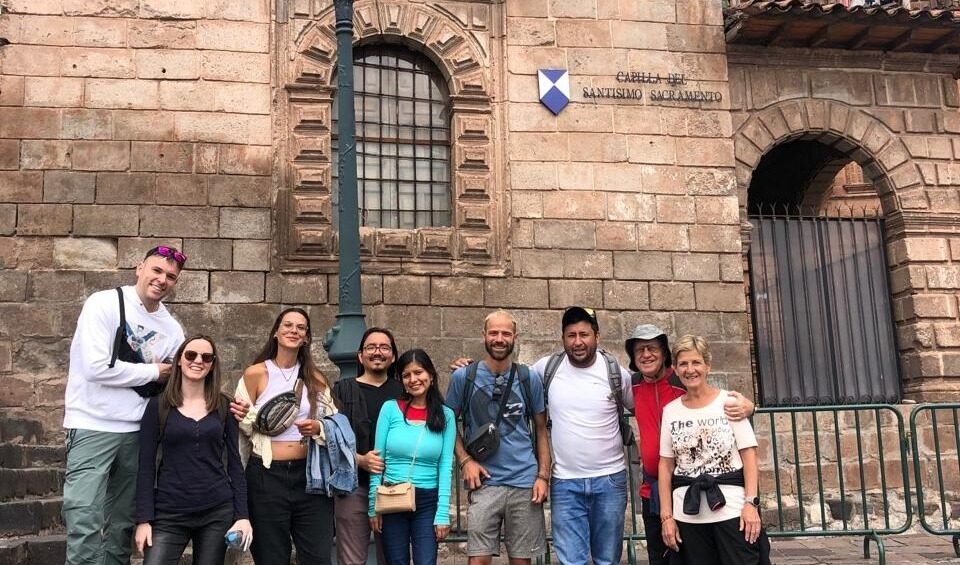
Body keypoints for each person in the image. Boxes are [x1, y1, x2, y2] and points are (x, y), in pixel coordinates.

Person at [62, 245, 187, 565]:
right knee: (84, 516)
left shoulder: (172, 329)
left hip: (137, 431)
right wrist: (153, 371)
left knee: (121, 526)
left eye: (170, 276)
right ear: (139, 268)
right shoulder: (104, 303)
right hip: (92, 423)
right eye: (156, 271)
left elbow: (176, 381)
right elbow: (95, 367)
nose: (162, 280)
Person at [626, 325, 754, 565]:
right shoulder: (630, 385)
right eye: (639, 350)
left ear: (665, 355)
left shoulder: (681, 382)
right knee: (661, 555)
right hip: (655, 489)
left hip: (689, 487)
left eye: (652, 348)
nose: (646, 354)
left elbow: (712, 399)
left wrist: (750, 406)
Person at [134, 335, 253, 565]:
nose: (198, 361)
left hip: (216, 511)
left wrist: (242, 515)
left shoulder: (224, 406)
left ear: (212, 364)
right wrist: (143, 519)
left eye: (206, 357)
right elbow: (146, 465)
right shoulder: (158, 406)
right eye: (191, 355)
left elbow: (235, 464)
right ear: (179, 360)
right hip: (169, 511)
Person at [445, 310, 550, 565]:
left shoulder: (529, 378)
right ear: (484, 336)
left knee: (521, 560)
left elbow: (541, 430)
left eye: (505, 333)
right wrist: (465, 461)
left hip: (524, 481)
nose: (499, 338)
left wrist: (543, 476)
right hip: (485, 483)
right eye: (494, 333)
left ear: (515, 337)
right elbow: (448, 423)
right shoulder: (463, 377)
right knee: (477, 559)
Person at [529, 306, 632, 565]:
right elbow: (510, 380)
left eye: (584, 334)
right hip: (565, 483)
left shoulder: (615, 372)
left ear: (597, 336)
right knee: (571, 561)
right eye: (571, 335)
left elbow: (646, 406)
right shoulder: (546, 369)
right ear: (563, 338)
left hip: (610, 480)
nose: (578, 342)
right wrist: (472, 370)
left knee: (606, 560)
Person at [236, 307, 338, 565]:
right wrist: (258, 419)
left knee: (317, 557)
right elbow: (241, 421)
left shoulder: (315, 378)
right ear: (276, 333)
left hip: (309, 476)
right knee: (271, 557)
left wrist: (318, 428)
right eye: (288, 325)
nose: (294, 331)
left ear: (306, 338)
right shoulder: (255, 373)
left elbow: (333, 422)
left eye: (301, 328)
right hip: (266, 475)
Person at [658, 335, 761, 565]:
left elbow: (750, 456)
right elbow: (665, 466)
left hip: (731, 510)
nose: (690, 369)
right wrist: (667, 516)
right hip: (687, 513)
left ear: (708, 366)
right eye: (683, 363)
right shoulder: (671, 411)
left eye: (696, 362)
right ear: (674, 368)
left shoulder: (730, 403)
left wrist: (750, 503)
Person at [368, 349, 455, 565]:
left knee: (426, 561)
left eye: (419, 373)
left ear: (431, 376)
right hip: (392, 497)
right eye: (406, 375)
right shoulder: (390, 409)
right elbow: (377, 460)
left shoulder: (446, 416)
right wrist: (373, 505)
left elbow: (445, 466)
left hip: (427, 501)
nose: (413, 379)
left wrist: (442, 513)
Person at [332, 327, 404, 565]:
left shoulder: (404, 391)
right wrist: (359, 459)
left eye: (384, 347)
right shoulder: (342, 390)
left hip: (397, 488)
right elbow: (330, 439)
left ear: (393, 356)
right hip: (354, 487)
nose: (377, 352)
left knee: (395, 558)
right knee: (351, 559)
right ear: (360, 356)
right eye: (371, 347)